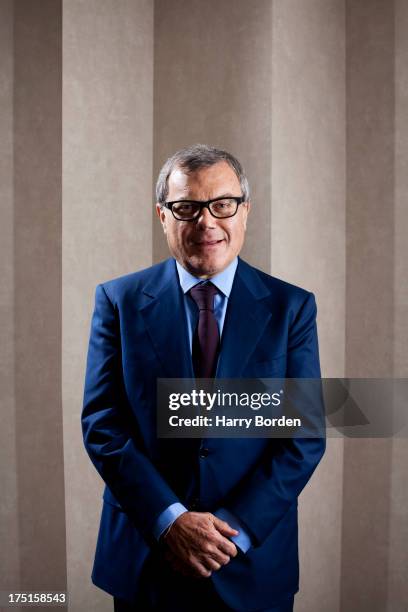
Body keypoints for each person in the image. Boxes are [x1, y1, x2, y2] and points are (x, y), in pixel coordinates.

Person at [82, 144, 325, 612]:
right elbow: (103, 425)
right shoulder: (118, 301)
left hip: (250, 560)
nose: (207, 222)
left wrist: (231, 532)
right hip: (147, 557)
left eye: (222, 205)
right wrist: (171, 522)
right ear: (163, 215)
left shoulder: (291, 308)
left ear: (245, 212)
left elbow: (304, 437)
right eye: (187, 207)